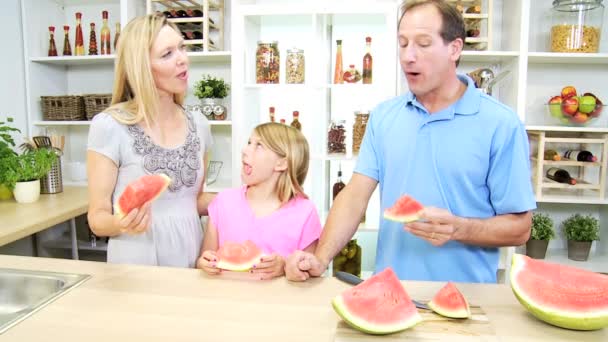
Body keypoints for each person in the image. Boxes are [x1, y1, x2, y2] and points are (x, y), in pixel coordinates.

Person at [285, 0, 536, 283]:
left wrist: (459, 228)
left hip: (468, 299)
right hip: (389, 290)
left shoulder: (501, 124)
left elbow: (520, 228)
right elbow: (355, 197)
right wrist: (320, 258)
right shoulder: (384, 116)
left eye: (423, 43)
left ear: (454, 48)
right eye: (402, 44)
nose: (408, 56)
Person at [87, 13, 214, 268]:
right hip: (136, 260)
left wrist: (251, 198)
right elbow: (97, 217)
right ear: (141, 66)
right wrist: (120, 223)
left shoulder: (200, 124)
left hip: (191, 257)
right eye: (167, 54)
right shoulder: (109, 126)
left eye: (182, 48)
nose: (182, 59)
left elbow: (194, 200)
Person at [197, 123, 322, 280]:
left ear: (282, 163)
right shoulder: (223, 201)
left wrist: (284, 267)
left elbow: (310, 275)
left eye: (259, 146)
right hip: (226, 300)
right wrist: (205, 263)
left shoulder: (305, 212)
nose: (245, 150)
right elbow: (204, 260)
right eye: (249, 143)